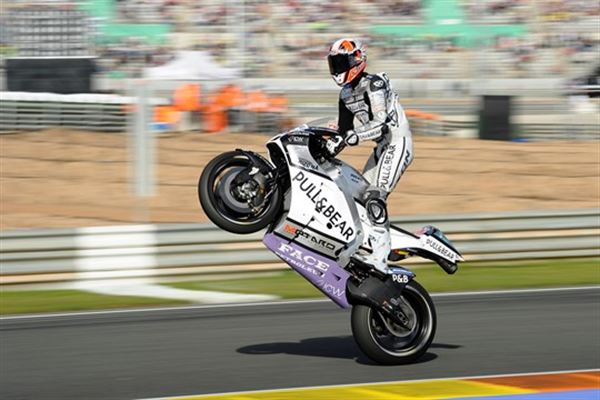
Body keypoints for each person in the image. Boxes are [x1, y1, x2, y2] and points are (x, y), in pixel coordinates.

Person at [325, 38, 413, 274]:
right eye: (334, 63)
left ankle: (380, 259)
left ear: (356, 59)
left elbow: (381, 123)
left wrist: (353, 136)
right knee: (360, 197)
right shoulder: (345, 94)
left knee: (375, 197)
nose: (337, 69)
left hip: (397, 142)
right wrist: (326, 147)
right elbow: (343, 132)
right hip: (382, 147)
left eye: (341, 62)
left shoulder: (374, 84)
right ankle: (372, 246)